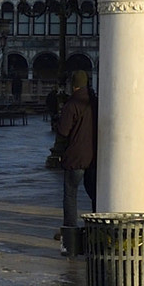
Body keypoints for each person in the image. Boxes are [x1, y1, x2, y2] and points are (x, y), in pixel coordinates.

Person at [52, 66, 95, 255]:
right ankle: (96, 228)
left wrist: (59, 152)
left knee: (70, 195)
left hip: (75, 156)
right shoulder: (95, 102)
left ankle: (70, 232)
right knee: (94, 193)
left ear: (74, 86)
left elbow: (63, 132)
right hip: (94, 156)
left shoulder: (72, 104)